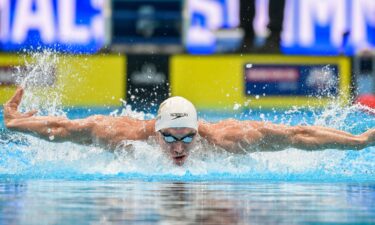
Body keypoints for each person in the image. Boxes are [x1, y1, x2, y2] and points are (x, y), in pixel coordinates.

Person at [3, 87, 375, 166]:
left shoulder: (228, 138)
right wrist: (17, 124)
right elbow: (65, 128)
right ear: (155, 131)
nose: (178, 148)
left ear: (200, 131)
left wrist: (358, 142)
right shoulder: (121, 134)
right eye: (169, 137)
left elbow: (298, 135)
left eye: (187, 138)